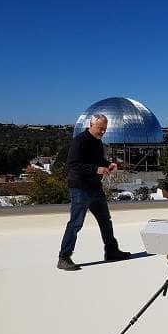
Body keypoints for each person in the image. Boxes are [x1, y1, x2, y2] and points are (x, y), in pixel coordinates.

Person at [57, 113, 131, 271]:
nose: (102, 132)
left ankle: (111, 251)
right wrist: (96, 169)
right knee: (76, 223)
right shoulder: (79, 141)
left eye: (104, 129)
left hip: (95, 187)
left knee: (105, 220)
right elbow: (73, 164)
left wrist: (108, 164)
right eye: (100, 129)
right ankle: (63, 257)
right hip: (80, 188)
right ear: (91, 125)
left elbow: (98, 162)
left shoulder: (98, 142)